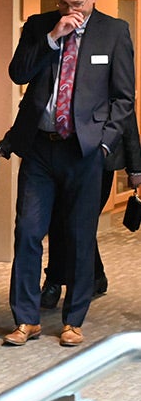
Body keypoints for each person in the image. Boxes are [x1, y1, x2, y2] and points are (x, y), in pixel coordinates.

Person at [0, 0, 136, 348]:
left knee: (78, 236)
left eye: (76, 3)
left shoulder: (114, 31)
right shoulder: (40, 25)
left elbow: (124, 98)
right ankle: (26, 320)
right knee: (27, 232)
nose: (69, 10)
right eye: (62, 3)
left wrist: (105, 142)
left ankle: (74, 319)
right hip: (39, 147)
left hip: (84, 149)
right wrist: (52, 38)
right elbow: (17, 73)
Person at [38, 115, 141, 309]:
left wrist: (136, 168)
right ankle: (92, 276)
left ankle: (55, 281)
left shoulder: (106, 83)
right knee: (61, 218)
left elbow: (125, 115)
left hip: (99, 157)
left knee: (77, 221)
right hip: (63, 153)